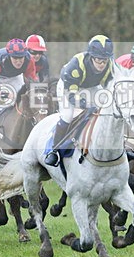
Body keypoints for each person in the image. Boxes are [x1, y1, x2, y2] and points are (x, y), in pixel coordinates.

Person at [44, 35, 114, 167]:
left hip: (92, 87)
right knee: (67, 116)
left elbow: (109, 87)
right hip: (68, 87)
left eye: (105, 60)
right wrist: (86, 104)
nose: (102, 64)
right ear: (91, 56)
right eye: (99, 60)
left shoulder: (110, 65)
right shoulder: (76, 65)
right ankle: (54, 150)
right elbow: (71, 94)